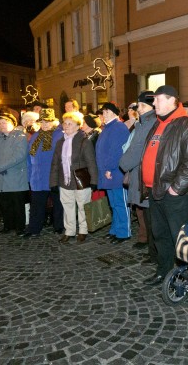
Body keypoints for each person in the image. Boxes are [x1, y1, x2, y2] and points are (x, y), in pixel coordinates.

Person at [141, 85, 188, 286]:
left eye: (158, 99)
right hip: (155, 190)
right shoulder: (158, 123)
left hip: (173, 193)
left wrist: (176, 188)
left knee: (179, 236)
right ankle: (164, 271)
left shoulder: (186, 125)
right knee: (160, 235)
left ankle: (186, 277)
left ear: (171, 100)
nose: (154, 103)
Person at [50, 112, 98, 244]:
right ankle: (69, 231)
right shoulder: (60, 142)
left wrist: (94, 181)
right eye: (65, 123)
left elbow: (91, 162)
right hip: (64, 180)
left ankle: (83, 230)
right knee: (67, 207)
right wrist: (53, 182)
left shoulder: (84, 141)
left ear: (78, 126)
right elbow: (55, 164)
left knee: (83, 206)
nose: (66, 126)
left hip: (80, 180)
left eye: (70, 124)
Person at [120, 91, 157, 258]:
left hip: (144, 174)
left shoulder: (148, 123)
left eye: (142, 105)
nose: (139, 109)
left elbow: (137, 149)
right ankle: (151, 250)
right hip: (140, 173)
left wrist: (123, 163)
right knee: (146, 215)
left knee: (150, 217)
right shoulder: (144, 122)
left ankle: (154, 252)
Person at [0, 112, 29, 235]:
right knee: (4, 204)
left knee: (17, 204)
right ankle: (8, 225)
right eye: (0, 123)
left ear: (13, 123)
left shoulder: (20, 137)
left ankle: (20, 227)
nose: (2, 125)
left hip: (15, 176)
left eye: (5, 122)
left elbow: (19, 156)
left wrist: (0, 167)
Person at [22, 109, 63, 238]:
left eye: (48, 122)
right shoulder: (35, 136)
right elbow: (29, 157)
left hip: (54, 176)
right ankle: (34, 228)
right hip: (38, 177)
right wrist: (29, 175)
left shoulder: (60, 135)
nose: (45, 124)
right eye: (42, 122)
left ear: (54, 122)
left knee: (58, 203)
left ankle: (59, 226)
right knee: (36, 205)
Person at [96, 102, 131, 242]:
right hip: (108, 172)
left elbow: (117, 151)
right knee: (113, 204)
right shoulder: (108, 127)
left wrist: (109, 168)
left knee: (120, 203)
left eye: (105, 112)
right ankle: (115, 229)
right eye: (103, 112)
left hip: (115, 172)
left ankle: (124, 232)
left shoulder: (118, 127)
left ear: (113, 113)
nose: (103, 115)